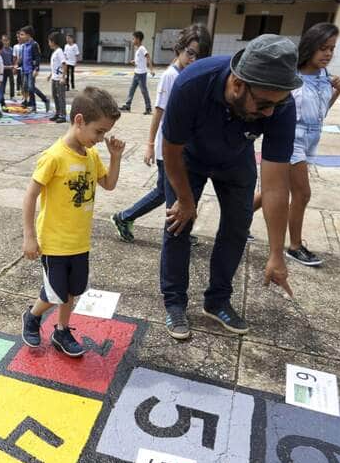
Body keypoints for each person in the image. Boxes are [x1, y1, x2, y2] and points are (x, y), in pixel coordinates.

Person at [159, 34, 299, 340]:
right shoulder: (193, 83)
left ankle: (217, 300)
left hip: (236, 159)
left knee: (238, 226)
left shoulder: (280, 105)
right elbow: (170, 151)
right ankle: (174, 303)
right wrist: (185, 200)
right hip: (188, 159)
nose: (269, 114)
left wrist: (277, 253)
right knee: (178, 224)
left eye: (276, 105)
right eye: (263, 105)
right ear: (237, 84)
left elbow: (276, 186)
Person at [20, 87, 124, 356]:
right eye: (98, 132)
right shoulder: (54, 156)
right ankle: (32, 317)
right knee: (55, 293)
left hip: (80, 242)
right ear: (79, 121)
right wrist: (29, 236)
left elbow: (109, 184)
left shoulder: (90, 156)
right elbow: (30, 196)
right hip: (54, 242)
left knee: (72, 291)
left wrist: (115, 158)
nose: (101, 139)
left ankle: (61, 331)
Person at [251, 23, 340, 268]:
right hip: (291, 139)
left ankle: (234, 221)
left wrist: (337, 93)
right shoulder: (291, 78)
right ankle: (294, 246)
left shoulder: (326, 77)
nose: (327, 54)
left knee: (273, 191)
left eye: (332, 49)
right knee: (302, 193)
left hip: (311, 138)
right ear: (310, 47)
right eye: (323, 48)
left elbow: (320, 112)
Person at [112, 24, 212, 246]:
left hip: (181, 147)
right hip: (167, 149)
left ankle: (125, 217)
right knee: (175, 195)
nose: (194, 59)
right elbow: (159, 111)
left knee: (163, 192)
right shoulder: (171, 76)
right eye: (190, 53)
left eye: (200, 56)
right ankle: (177, 234)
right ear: (180, 49)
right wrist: (149, 144)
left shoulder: (190, 74)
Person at [18, 26, 49, 113]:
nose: (20, 36)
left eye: (22, 35)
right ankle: (34, 104)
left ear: (28, 35)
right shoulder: (23, 46)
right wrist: (18, 65)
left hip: (31, 70)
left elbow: (37, 57)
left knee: (31, 88)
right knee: (27, 88)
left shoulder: (34, 44)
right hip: (24, 71)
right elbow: (23, 58)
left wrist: (36, 69)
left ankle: (43, 100)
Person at [120, 30, 152, 114]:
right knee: (132, 89)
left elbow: (148, 57)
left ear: (138, 39)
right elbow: (140, 60)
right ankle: (127, 106)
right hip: (136, 73)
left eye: (133, 38)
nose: (132, 40)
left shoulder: (142, 48)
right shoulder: (138, 49)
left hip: (141, 74)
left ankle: (148, 108)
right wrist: (135, 62)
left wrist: (151, 69)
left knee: (144, 91)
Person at [48, 32, 67, 123]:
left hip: (59, 79)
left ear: (53, 42)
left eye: (49, 41)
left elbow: (64, 64)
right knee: (55, 96)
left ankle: (62, 115)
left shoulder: (59, 51)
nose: (49, 43)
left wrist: (63, 77)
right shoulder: (55, 52)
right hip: (54, 78)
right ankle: (58, 113)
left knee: (61, 97)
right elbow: (55, 66)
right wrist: (50, 74)